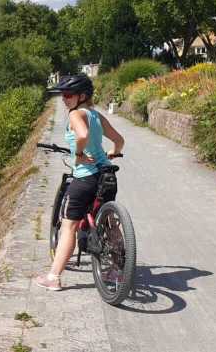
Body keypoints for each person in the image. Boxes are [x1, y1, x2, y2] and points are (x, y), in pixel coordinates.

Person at [34, 74, 125, 291]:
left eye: (68, 95)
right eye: (62, 95)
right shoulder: (97, 116)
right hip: (107, 175)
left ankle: (54, 277)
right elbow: (119, 140)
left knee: (69, 227)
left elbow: (82, 134)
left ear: (81, 96)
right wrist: (112, 153)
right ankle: (117, 270)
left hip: (85, 178)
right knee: (110, 223)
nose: (64, 99)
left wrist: (80, 153)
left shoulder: (76, 114)